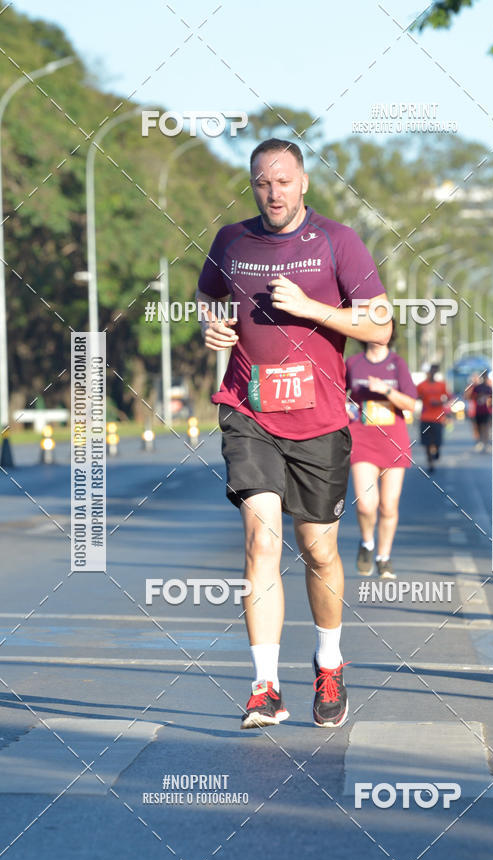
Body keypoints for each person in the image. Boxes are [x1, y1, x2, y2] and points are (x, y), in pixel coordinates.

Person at [197, 138, 391, 729]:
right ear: (252, 185)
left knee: (319, 551)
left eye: (283, 181)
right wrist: (211, 325)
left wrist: (311, 308)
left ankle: (329, 662)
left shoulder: (338, 241)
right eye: (262, 182)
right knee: (261, 542)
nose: (273, 193)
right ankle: (265, 687)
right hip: (248, 411)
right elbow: (207, 295)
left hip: (320, 420)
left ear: (304, 182)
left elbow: (380, 327)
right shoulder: (232, 241)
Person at [345, 323, 416, 579]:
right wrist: (344, 408)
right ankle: (367, 542)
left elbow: (411, 403)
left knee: (388, 506)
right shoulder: (353, 363)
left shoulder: (397, 364)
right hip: (362, 438)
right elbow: (337, 393)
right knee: (366, 505)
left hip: (393, 442)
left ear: (390, 333)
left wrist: (386, 390)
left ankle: (383, 557)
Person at [416, 364, 449, 473]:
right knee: (426, 443)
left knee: (437, 441)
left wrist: (439, 402)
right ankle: (430, 462)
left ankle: (437, 450)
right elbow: (415, 396)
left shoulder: (441, 385)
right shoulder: (421, 385)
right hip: (425, 418)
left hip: (438, 419)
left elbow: (448, 397)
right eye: (430, 372)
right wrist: (421, 398)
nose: (431, 374)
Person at [467, 371, 492, 451]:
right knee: (479, 426)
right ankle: (480, 441)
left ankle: (485, 442)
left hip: (487, 411)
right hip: (478, 411)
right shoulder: (477, 388)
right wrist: (478, 396)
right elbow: (471, 397)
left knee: (486, 427)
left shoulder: (489, 388)